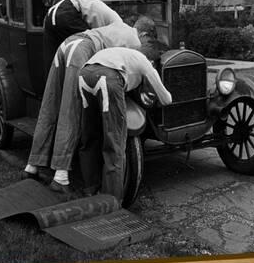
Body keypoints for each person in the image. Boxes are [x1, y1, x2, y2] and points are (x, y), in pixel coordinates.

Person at [22, 18, 156, 197]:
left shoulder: (116, 26)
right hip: (81, 51)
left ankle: (31, 166)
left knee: (50, 106)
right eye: (148, 40)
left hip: (67, 45)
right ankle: (61, 178)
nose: (145, 44)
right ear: (144, 33)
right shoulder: (134, 39)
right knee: (72, 110)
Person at [78, 44, 172, 203]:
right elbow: (166, 99)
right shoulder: (146, 63)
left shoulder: (126, 54)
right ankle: (111, 199)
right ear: (152, 61)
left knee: (90, 135)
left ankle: (90, 189)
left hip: (84, 75)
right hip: (107, 78)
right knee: (115, 143)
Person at [43, 0, 122, 76]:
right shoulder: (117, 26)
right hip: (67, 11)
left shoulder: (112, 20)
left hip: (52, 12)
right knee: (84, 50)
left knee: (54, 60)